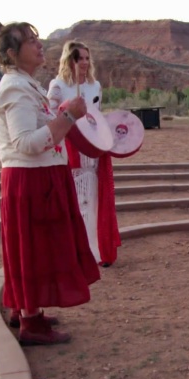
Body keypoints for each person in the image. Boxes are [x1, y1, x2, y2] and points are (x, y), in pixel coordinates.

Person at [0, 22, 100, 345]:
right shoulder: (14, 89)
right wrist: (68, 117)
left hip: (39, 176)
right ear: (12, 53)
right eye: (30, 41)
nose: (39, 45)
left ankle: (27, 309)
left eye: (37, 39)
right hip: (31, 178)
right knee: (34, 247)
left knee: (35, 247)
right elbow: (25, 143)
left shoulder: (26, 85)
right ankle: (30, 322)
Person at [47, 40, 121, 267]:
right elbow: (50, 117)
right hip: (70, 147)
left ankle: (97, 250)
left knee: (94, 196)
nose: (84, 63)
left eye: (87, 58)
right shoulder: (58, 86)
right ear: (69, 60)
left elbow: (97, 115)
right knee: (77, 198)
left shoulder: (95, 85)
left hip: (93, 146)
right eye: (79, 59)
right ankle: (75, 251)